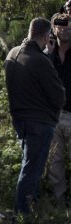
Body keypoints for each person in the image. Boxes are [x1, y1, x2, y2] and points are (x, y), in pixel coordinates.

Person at [6, 18, 66, 213]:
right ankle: (23, 216)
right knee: (32, 171)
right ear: (47, 35)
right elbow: (58, 97)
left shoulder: (13, 54)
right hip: (39, 122)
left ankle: (29, 209)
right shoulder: (40, 60)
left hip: (20, 120)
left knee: (29, 166)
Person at [49, 14, 71, 204]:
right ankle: (59, 202)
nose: (63, 28)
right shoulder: (47, 54)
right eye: (59, 25)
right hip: (53, 115)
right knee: (55, 162)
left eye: (67, 25)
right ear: (53, 28)